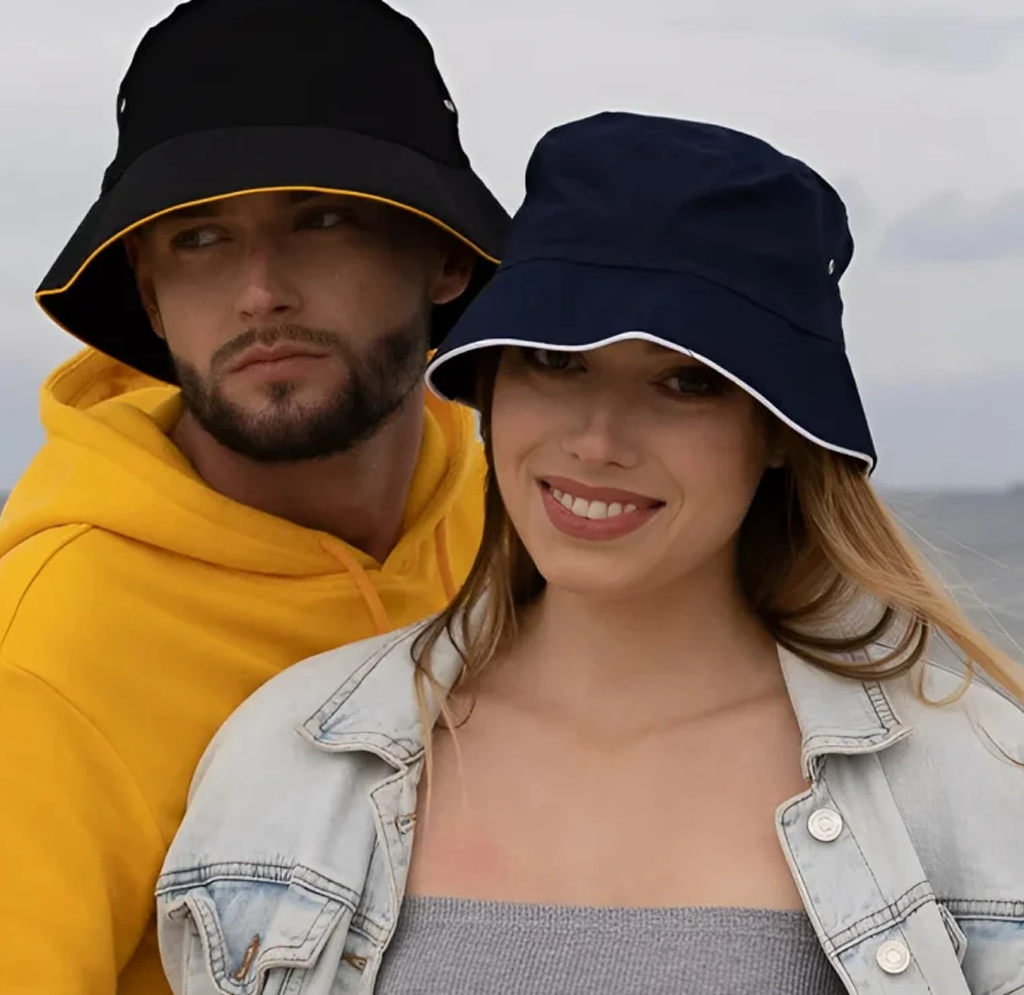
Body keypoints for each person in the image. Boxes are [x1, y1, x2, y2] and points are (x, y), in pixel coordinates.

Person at [156, 113, 1024, 994]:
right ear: (492, 384)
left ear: (775, 433)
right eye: (554, 360)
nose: (599, 440)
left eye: (685, 381)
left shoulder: (976, 789)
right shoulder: (288, 764)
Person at [0, 0, 508, 995]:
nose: (259, 289)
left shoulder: (525, 526)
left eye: (318, 219)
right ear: (149, 295)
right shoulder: (52, 648)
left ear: (444, 255)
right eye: (199, 238)